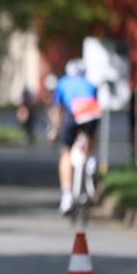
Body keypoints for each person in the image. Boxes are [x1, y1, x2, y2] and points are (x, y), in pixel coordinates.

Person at [50, 58, 101, 214]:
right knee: (91, 135)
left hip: (74, 112)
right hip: (91, 111)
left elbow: (58, 110)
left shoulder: (63, 83)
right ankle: (91, 159)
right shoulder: (91, 84)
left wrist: (55, 130)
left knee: (65, 152)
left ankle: (67, 195)